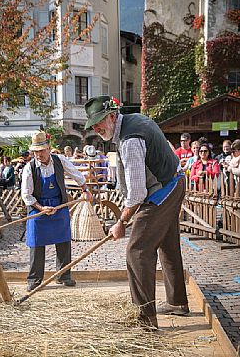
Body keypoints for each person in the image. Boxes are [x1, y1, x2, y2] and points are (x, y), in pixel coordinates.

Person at [84, 95, 189, 329]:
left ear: (112, 116)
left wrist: (121, 221)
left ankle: (145, 320)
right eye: (92, 125)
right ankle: (177, 302)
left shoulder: (130, 139)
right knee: (168, 244)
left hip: (162, 191)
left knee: (137, 250)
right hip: (173, 182)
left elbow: (137, 193)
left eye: (99, 122)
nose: (96, 128)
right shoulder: (134, 120)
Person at [21, 130, 93, 292]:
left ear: (48, 149)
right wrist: (41, 208)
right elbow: (26, 195)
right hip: (37, 208)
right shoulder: (29, 169)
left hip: (59, 206)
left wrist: (85, 189)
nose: (38, 154)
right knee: (36, 243)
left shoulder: (59, 161)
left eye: (41, 151)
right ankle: (34, 279)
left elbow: (76, 174)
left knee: (63, 241)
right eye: (35, 151)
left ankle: (64, 276)